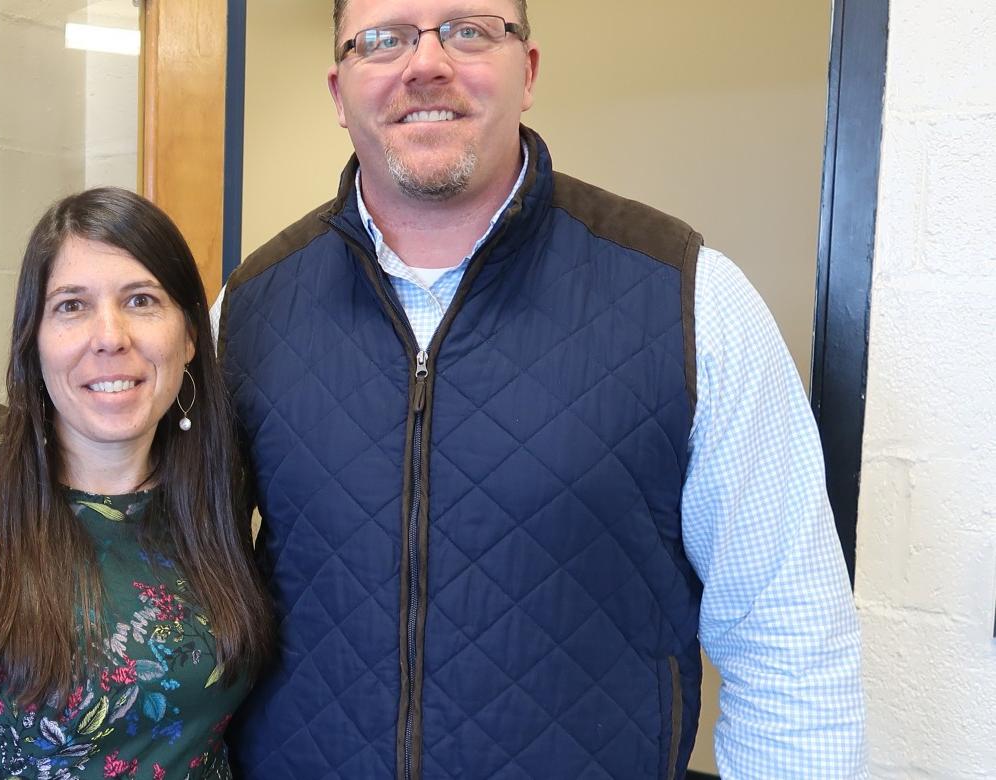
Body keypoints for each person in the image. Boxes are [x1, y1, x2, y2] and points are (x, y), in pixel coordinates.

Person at [218, 1, 867, 777]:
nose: (426, 64)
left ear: (526, 72)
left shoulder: (688, 299)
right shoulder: (246, 310)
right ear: (338, 90)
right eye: (384, 39)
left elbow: (790, 644)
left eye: (469, 29)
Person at [0, 188, 273, 778]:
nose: (109, 337)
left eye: (140, 300)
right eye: (71, 306)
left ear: (188, 336)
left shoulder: (217, 499)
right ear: (33, 345)